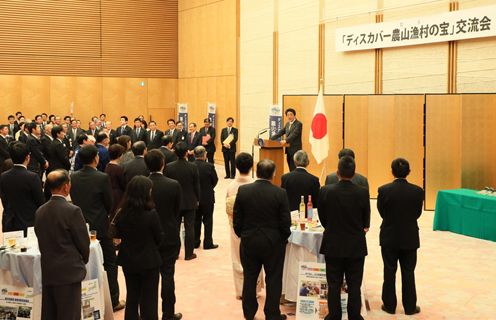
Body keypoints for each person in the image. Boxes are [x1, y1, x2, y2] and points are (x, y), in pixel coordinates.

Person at [233, 159, 291, 320]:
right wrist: (281, 239)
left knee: (250, 277)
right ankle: (272, 314)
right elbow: (285, 222)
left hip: (249, 241)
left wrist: (243, 235)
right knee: (273, 279)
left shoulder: (243, 190)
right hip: (273, 242)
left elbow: (237, 219)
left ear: (256, 172)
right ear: (273, 174)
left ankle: (249, 313)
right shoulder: (280, 193)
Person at [70, 145, 125, 311]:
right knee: (110, 262)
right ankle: (113, 300)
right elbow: (109, 203)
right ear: (96, 158)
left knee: (83, 261)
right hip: (100, 226)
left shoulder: (74, 176)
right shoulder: (101, 177)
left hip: (80, 225)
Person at [318, 156, 370, 320]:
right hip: (355, 245)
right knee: (355, 284)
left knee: (333, 283)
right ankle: (354, 316)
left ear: (337, 172)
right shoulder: (362, 192)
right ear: (354, 173)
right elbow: (366, 221)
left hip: (333, 243)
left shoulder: (326, 191)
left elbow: (323, 218)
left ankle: (334, 316)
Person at [35, 170, 90, 320]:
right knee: (69, 315)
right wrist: (82, 260)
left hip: (48, 270)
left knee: (50, 314)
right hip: (68, 272)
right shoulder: (73, 211)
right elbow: (83, 243)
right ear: (66, 187)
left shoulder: (40, 211)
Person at [377, 158, 423, 316]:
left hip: (389, 236)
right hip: (409, 237)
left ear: (392, 171)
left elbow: (382, 212)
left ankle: (389, 305)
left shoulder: (383, 190)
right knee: (408, 271)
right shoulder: (418, 191)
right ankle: (410, 307)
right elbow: (417, 213)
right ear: (409, 172)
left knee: (389, 271)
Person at [114, 176, 163, 320]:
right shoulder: (151, 214)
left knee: (132, 297)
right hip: (149, 261)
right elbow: (159, 238)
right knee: (149, 299)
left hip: (128, 260)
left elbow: (117, 235)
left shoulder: (121, 213)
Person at [145, 150, 183, 320]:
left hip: (147, 236)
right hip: (168, 234)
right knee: (168, 276)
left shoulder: (141, 184)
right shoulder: (173, 184)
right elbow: (177, 212)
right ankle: (168, 313)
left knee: (149, 278)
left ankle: (149, 314)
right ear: (163, 163)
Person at [226, 153, 263, 299]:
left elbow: (228, 208)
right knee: (255, 258)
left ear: (236, 166)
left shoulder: (231, 186)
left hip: (236, 226)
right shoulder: (256, 184)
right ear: (252, 166)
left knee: (237, 257)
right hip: (255, 227)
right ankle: (254, 289)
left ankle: (241, 291)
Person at [165, 142, 200, 261]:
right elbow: (196, 186)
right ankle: (189, 254)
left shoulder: (169, 167)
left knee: (174, 227)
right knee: (190, 227)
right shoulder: (193, 167)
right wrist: (198, 199)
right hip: (190, 200)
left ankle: (175, 253)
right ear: (186, 153)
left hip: (174, 201)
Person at [0, 142, 44, 234]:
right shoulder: (33, 177)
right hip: (29, 222)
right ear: (28, 157)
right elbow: (40, 202)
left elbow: (4, 200)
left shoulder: (3, 176)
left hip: (10, 222)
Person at [193, 146, 219, 250]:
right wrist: (208, 188)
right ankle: (208, 243)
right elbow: (215, 180)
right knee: (208, 220)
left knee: (196, 220)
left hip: (195, 197)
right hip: (208, 197)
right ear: (205, 155)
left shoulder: (191, 166)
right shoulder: (209, 166)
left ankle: (195, 242)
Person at [105, 144, 126, 222]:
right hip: (118, 195)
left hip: (110, 192)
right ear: (120, 155)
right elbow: (123, 184)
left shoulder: (107, 166)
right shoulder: (118, 168)